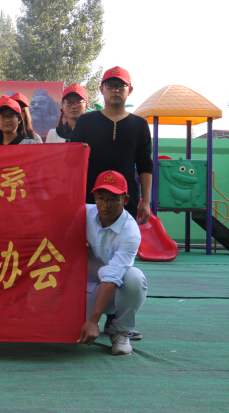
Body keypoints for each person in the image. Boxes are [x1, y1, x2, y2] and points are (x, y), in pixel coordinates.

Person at [69, 66, 152, 224]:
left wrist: (146, 201)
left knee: (125, 240)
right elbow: (71, 161)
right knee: (88, 240)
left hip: (126, 201)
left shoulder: (139, 124)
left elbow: (145, 164)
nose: (116, 90)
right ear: (101, 89)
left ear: (130, 90)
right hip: (89, 200)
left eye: (121, 85)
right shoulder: (85, 122)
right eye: (110, 85)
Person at [77, 170, 147, 355]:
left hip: (113, 289)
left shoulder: (130, 233)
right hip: (82, 286)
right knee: (70, 331)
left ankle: (121, 332)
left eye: (113, 199)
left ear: (125, 200)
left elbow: (112, 276)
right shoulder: (82, 213)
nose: (105, 205)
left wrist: (93, 320)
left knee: (134, 277)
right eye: (101, 198)